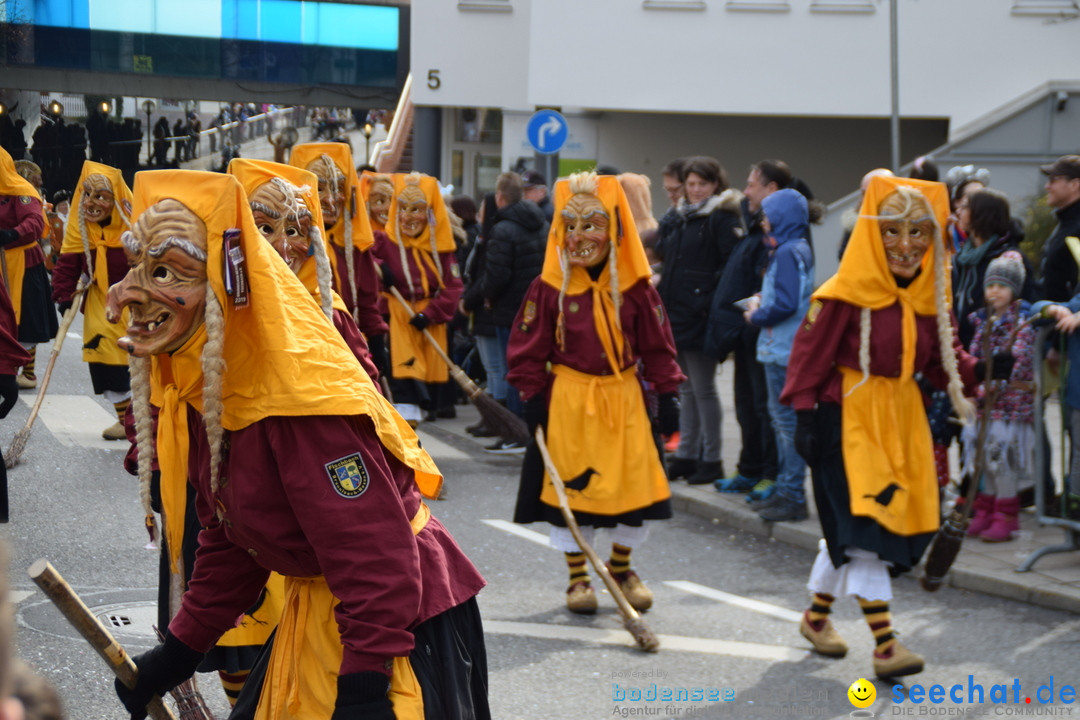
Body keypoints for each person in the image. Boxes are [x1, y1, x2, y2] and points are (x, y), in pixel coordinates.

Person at [108, 169, 489, 720]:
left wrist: (364, 687)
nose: (128, 294)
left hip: (388, 628)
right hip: (324, 609)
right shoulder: (209, 386)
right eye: (137, 266)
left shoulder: (297, 396)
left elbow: (373, 555)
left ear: (225, 281)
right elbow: (233, 532)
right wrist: (179, 651)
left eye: (166, 271)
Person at [782, 175, 980, 679]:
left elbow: (943, 360)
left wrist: (982, 372)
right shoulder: (841, 295)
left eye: (919, 232)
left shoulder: (929, 297)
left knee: (856, 529)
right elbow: (807, 360)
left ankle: (816, 618)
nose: (907, 244)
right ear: (873, 233)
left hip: (904, 420)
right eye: (893, 231)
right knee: (869, 527)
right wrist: (805, 416)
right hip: (848, 419)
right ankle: (887, 645)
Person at [508, 171, 683, 614]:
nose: (581, 236)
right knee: (573, 490)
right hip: (569, 399)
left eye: (592, 224)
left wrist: (669, 394)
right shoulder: (546, 288)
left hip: (624, 397)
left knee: (633, 485)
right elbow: (527, 348)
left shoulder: (637, 290)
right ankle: (578, 578)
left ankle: (621, 568)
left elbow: (659, 346)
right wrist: (532, 398)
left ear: (615, 230)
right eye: (572, 226)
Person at [655, 156, 744, 485]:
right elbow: (667, 254)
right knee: (687, 389)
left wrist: (704, 301)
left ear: (715, 185)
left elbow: (727, 267)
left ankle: (712, 458)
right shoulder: (681, 217)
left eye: (701, 184)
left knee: (704, 389)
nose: (694, 190)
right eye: (690, 184)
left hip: (699, 314)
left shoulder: (720, 217)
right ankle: (687, 454)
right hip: (677, 313)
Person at [710, 160, 786, 501]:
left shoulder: (777, 237)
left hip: (762, 334)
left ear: (771, 190)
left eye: (752, 184)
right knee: (745, 405)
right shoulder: (753, 227)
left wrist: (753, 309)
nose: (746, 190)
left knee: (763, 408)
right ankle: (749, 468)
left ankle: (771, 474)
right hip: (744, 334)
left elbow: (769, 287)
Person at [743, 188, 814, 523]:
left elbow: (785, 304)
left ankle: (792, 495)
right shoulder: (798, 248)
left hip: (780, 350)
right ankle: (790, 491)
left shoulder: (785, 252)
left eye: (769, 213)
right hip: (788, 349)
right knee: (787, 424)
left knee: (786, 425)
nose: (763, 220)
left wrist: (756, 314)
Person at [463, 172, 547, 454]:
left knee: (510, 369)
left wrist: (474, 299)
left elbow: (496, 276)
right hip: (534, 308)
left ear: (500, 197)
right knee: (525, 368)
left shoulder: (503, 228)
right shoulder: (539, 224)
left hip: (508, 309)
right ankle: (525, 427)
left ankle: (515, 430)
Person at [289, 143, 389, 376]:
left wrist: (376, 341)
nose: (331, 199)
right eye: (319, 188)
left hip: (348, 352)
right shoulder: (285, 242)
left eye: (338, 188)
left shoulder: (353, 246)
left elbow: (366, 303)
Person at [51, 161, 133, 439]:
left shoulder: (133, 230)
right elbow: (68, 261)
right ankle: (126, 419)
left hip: (136, 304)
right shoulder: (82, 229)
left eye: (100, 196)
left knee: (138, 362)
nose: (91, 202)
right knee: (105, 360)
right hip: (101, 303)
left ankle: (142, 419)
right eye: (87, 195)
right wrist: (63, 297)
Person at [374, 172, 463, 426]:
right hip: (397, 320)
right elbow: (361, 254)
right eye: (403, 209)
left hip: (428, 321)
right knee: (403, 380)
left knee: (430, 380)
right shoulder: (385, 241)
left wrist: (431, 313)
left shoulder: (442, 250)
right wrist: (380, 267)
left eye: (417, 209)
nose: (409, 216)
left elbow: (453, 286)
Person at [960, 251, 1036, 542]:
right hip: (985, 403)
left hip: (1010, 406)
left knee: (1002, 459)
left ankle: (1006, 514)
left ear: (1014, 289)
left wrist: (993, 385)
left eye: (1002, 286)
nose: (994, 291)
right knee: (984, 459)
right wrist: (973, 387)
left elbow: (1019, 360)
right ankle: (986, 507)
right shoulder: (982, 322)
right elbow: (974, 357)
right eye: (990, 285)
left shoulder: (1023, 323)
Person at [1, 151, 58, 391]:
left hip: (22, 261)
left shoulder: (22, 192)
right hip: (2, 258)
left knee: (24, 317)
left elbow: (35, 222)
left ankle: (28, 371)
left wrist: (13, 234)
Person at [1039, 155, 1080, 302]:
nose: (1047, 186)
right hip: (1055, 319)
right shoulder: (1065, 223)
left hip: (1070, 321)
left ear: (1074, 185)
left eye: (1053, 180)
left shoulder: (1076, 228)